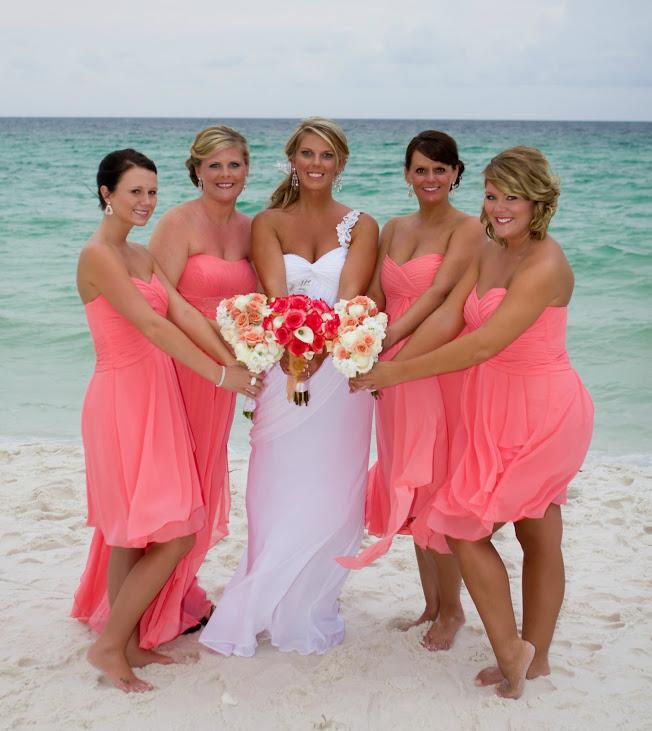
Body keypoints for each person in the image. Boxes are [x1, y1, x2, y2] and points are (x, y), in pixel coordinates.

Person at [353, 146, 593, 699]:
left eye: (513, 197)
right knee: (473, 525)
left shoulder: (546, 264)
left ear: (539, 201)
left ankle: (527, 657)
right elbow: (449, 316)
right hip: (494, 405)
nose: (500, 207)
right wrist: (384, 360)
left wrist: (399, 372)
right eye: (492, 195)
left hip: (542, 407)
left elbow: (483, 342)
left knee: (519, 532)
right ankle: (519, 653)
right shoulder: (487, 251)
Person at [71, 149, 261, 692]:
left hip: (156, 394)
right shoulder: (98, 255)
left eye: (152, 192)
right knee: (174, 533)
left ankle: (124, 640)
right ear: (106, 193)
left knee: (134, 534)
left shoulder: (137, 255)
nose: (146, 203)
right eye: (134, 192)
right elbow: (154, 331)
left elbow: (181, 314)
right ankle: (110, 649)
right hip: (122, 398)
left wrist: (233, 359)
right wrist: (221, 378)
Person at [200, 117, 379, 656]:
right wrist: (296, 356)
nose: (316, 164)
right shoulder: (268, 222)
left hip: (341, 378)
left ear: (341, 163)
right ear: (292, 161)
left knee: (333, 489)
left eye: (326, 155)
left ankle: (312, 599)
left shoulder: (363, 225)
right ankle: (265, 593)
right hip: (285, 371)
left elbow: (351, 301)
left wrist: (323, 351)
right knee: (276, 483)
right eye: (307, 154)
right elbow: (277, 300)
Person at [341, 131, 484, 652]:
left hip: (430, 358)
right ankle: (431, 604)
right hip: (389, 360)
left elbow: (442, 292)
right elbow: (379, 292)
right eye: (421, 169)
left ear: (456, 173)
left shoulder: (470, 228)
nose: (431, 179)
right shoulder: (396, 227)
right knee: (408, 476)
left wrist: (392, 342)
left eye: (440, 170)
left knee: (435, 479)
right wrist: (358, 332)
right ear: (406, 174)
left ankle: (453, 611)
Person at [149, 126, 257, 632]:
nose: (224, 175)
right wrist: (219, 360)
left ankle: (181, 590)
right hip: (184, 369)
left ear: (247, 170)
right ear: (195, 171)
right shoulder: (176, 223)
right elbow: (162, 305)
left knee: (205, 476)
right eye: (213, 165)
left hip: (225, 377)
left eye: (233, 164)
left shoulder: (251, 229)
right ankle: (151, 603)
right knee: (175, 483)